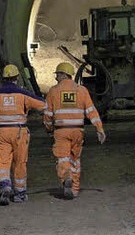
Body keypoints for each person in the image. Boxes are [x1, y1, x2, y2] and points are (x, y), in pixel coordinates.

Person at [0, 63, 46, 205]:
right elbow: (43, 105)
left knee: (2, 161)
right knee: (19, 163)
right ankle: (20, 194)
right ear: (17, 77)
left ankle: (5, 184)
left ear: (3, 78)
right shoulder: (23, 94)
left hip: (1, 132)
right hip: (19, 132)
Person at [43, 61, 106, 200]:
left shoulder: (53, 91)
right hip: (78, 131)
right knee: (75, 160)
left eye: (57, 75)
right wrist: (99, 129)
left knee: (63, 158)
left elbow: (47, 114)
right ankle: (75, 189)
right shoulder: (82, 90)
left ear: (62, 74)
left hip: (61, 131)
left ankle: (66, 178)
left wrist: (48, 129)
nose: (56, 78)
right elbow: (91, 111)